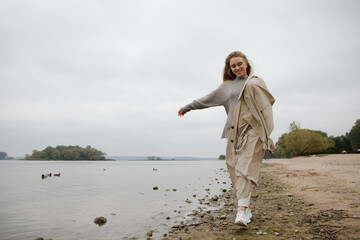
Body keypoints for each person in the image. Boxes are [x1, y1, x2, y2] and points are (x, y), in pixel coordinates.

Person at [178, 51, 275, 226]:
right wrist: (188, 107)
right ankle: (245, 205)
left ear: (246, 64)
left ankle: (241, 212)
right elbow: (207, 99)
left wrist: (266, 135)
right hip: (233, 133)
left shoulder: (256, 83)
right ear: (230, 69)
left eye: (240, 64)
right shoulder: (226, 87)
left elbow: (266, 108)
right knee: (235, 169)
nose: (237, 67)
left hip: (253, 130)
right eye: (233, 66)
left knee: (245, 167)